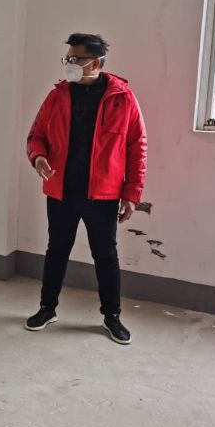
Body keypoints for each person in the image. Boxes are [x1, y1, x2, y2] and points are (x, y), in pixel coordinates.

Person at [25, 33, 147, 345]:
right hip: (61, 190)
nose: (69, 63)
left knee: (105, 255)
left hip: (103, 194)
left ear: (95, 62)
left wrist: (131, 194)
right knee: (56, 250)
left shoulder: (122, 98)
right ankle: (47, 309)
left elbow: (137, 147)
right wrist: (38, 157)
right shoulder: (58, 96)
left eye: (75, 58)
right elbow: (36, 135)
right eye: (67, 58)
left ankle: (112, 316)